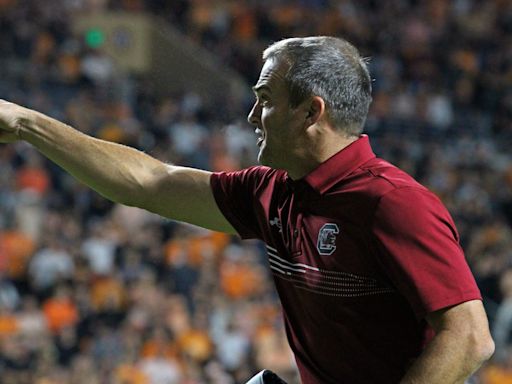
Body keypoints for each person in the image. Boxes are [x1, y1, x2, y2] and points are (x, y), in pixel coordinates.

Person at [0, 36, 495, 383]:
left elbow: (470, 337)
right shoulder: (272, 191)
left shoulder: (393, 202)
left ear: (310, 112)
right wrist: (26, 124)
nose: (251, 116)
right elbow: (149, 183)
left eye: (264, 100)